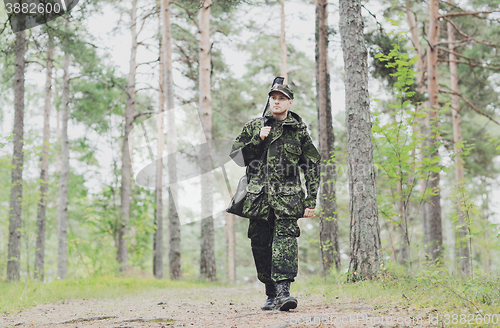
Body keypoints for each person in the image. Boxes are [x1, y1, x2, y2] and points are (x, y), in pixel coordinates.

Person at [229, 78, 321, 311]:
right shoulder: (254, 127)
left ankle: (283, 293)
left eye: (282, 99)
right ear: (269, 100)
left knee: (285, 244)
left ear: (289, 102)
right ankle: (270, 293)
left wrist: (311, 199)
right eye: (273, 98)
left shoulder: (298, 131)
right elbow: (237, 158)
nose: (277, 102)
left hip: (287, 199)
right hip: (258, 199)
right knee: (260, 245)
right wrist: (257, 139)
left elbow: (312, 164)